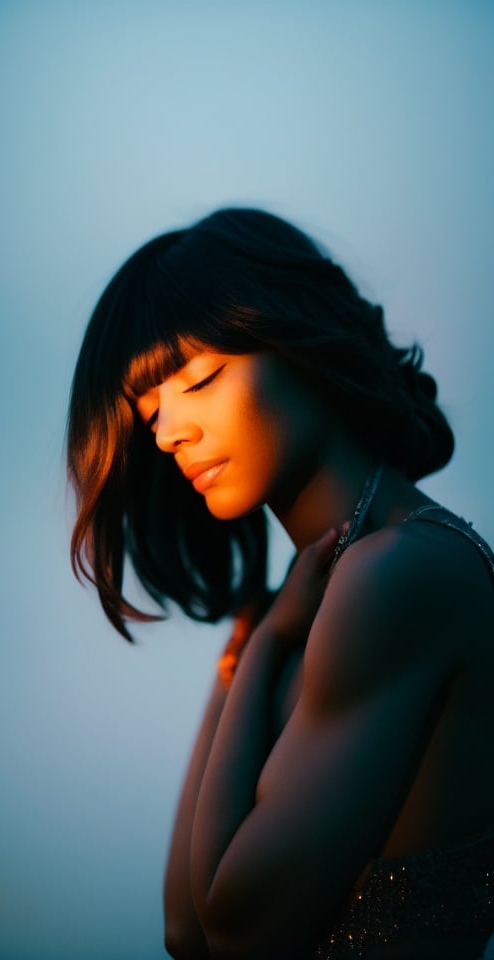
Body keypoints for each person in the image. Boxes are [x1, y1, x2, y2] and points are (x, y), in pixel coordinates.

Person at [66, 208, 494, 959]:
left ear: (298, 341)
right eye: (151, 411)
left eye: (199, 379)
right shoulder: (305, 601)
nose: (169, 433)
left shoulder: (401, 574)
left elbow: (239, 931)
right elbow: (184, 930)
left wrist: (264, 649)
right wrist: (258, 640)